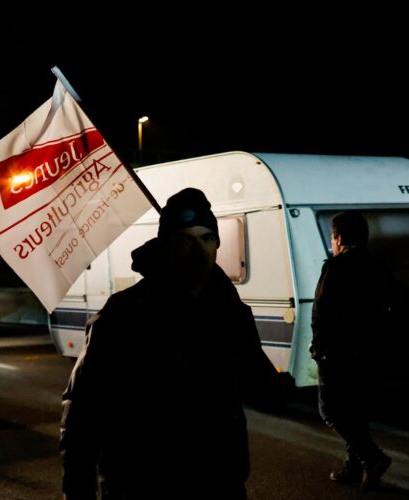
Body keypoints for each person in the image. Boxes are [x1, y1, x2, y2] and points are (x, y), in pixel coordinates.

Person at [61, 188, 294, 500]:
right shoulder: (125, 313)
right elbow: (83, 411)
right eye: (184, 239)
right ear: (165, 246)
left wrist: (280, 387)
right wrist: (78, 489)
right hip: (141, 484)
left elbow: (254, 377)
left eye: (207, 238)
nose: (198, 251)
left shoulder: (228, 309)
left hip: (219, 482)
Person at [311, 211, 393, 492]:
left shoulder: (337, 267)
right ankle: (354, 466)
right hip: (368, 352)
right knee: (354, 411)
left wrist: (318, 346)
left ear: (340, 237)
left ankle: (372, 458)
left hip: (337, 353)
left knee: (330, 409)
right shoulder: (377, 265)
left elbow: (323, 311)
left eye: (333, 237)